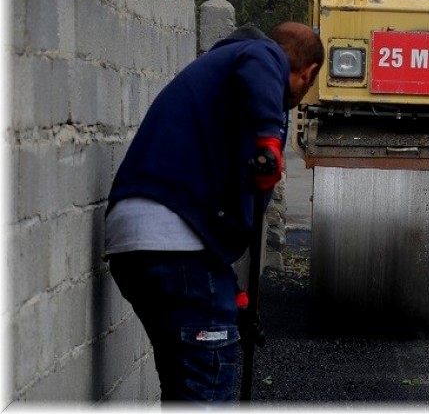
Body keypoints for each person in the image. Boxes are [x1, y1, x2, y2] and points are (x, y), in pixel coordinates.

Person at [104, 22, 323, 401]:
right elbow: (262, 60)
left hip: (138, 249)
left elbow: (207, 223)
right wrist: (271, 141)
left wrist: (233, 296)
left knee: (184, 390)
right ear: (310, 72)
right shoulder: (261, 53)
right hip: (174, 247)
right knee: (204, 393)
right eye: (305, 84)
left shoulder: (221, 87)